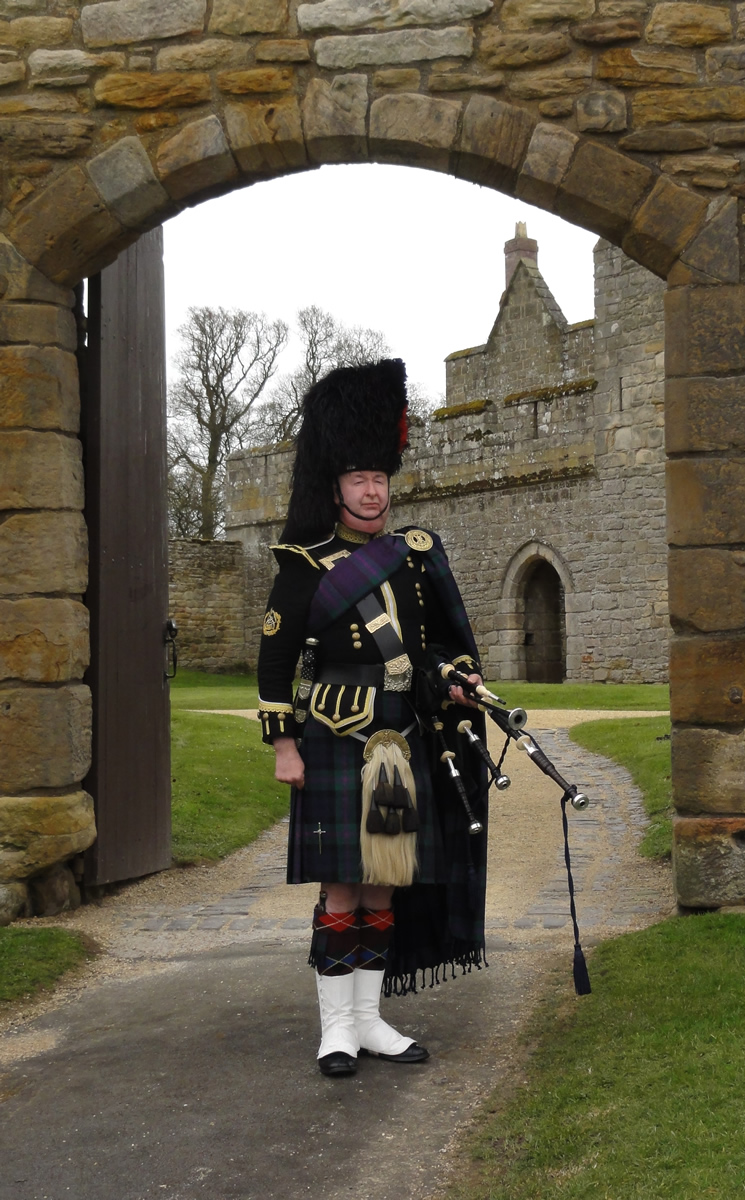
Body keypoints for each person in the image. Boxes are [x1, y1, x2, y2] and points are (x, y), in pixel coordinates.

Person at [256, 358, 488, 1078]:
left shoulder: (411, 560)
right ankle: (335, 1030)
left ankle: (371, 1020)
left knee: (384, 882)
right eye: (358, 478)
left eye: (380, 478)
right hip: (331, 737)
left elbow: (430, 650)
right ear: (336, 485)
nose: (371, 489)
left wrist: (453, 679)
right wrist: (284, 744)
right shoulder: (304, 564)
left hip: (399, 736)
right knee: (341, 888)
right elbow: (274, 665)